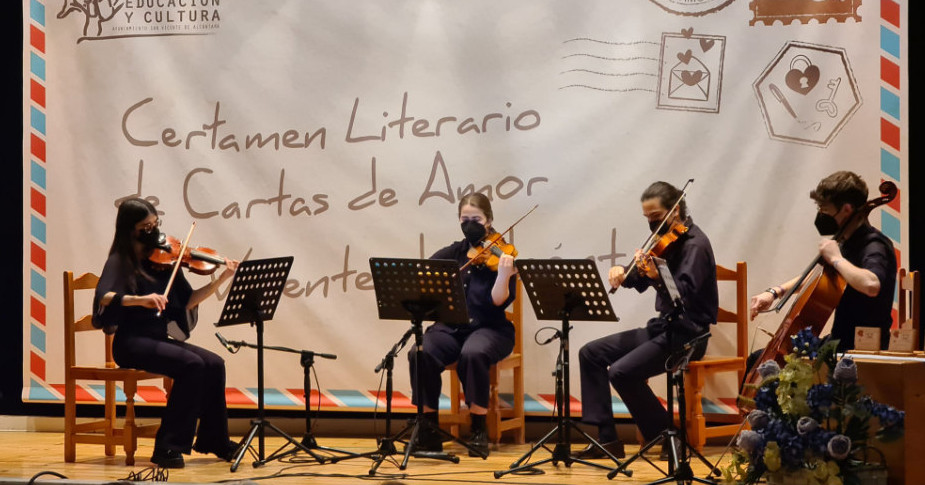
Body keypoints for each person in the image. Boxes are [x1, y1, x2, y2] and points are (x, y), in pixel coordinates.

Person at [92, 198, 240, 469]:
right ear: (130, 229)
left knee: (214, 363)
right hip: (131, 343)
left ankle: (215, 440)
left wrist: (220, 279)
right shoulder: (120, 260)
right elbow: (104, 297)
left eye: (155, 224)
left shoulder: (164, 260)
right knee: (192, 365)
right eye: (145, 226)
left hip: (157, 339)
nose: (154, 231)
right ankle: (167, 447)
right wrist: (140, 299)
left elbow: (187, 301)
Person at [577, 181, 717, 460]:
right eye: (648, 219)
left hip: (689, 333)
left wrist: (657, 277)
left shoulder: (696, 245)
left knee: (620, 371)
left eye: (656, 217)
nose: (652, 224)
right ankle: (607, 439)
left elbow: (684, 296)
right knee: (590, 353)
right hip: (663, 327)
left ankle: (670, 435)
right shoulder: (665, 242)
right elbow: (638, 279)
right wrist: (622, 272)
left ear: (675, 210)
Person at [408, 193, 518, 457]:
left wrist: (503, 275)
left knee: (474, 353)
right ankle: (428, 429)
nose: (470, 224)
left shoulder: (503, 256)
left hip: (490, 328)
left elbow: (497, 301)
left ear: (489, 221)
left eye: (476, 219)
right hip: (452, 328)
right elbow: (422, 278)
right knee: (420, 352)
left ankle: (478, 427)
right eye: (465, 219)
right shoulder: (453, 254)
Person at [749, 171, 896, 352]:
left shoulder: (875, 245)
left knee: (772, 368)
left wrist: (836, 258)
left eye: (825, 209)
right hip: (839, 342)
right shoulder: (848, 243)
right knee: (759, 358)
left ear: (847, 210)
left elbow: (871, 285)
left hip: (861, 349)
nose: (821, 214)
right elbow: (820, 280)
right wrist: (775, 292)